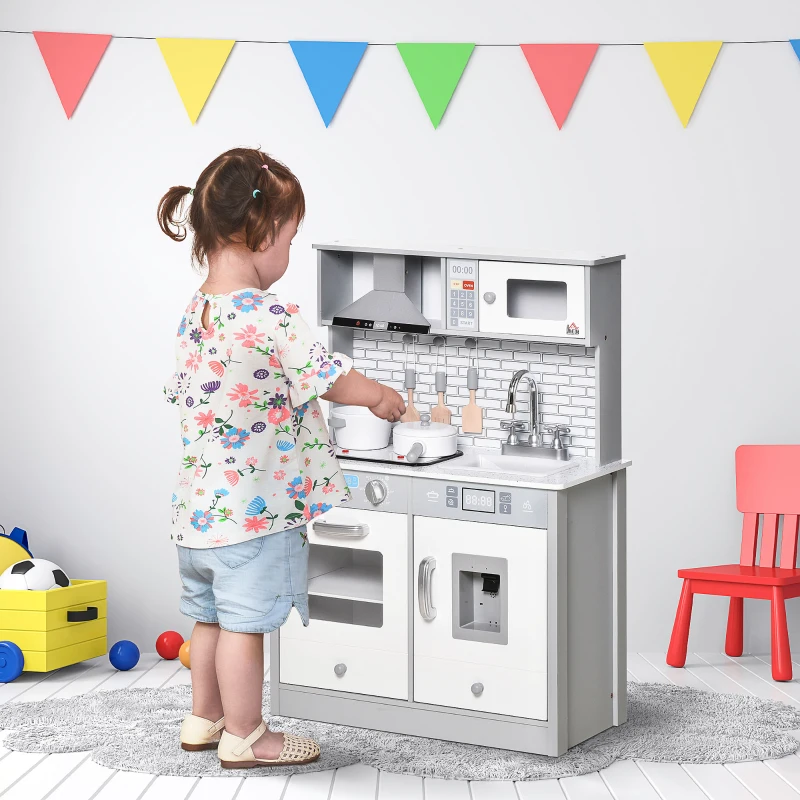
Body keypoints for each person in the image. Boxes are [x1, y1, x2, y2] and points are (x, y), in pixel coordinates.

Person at [159, 147, 405, 768]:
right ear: (258, 232)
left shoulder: (198, 311)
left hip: (199, 515)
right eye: (291, 240)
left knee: (210, 621)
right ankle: (247, 735)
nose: (290, 256)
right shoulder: (271, 315)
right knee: (245, 627)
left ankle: (203, 718)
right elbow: (328, 377)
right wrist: (377, 396)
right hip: (255, 514)